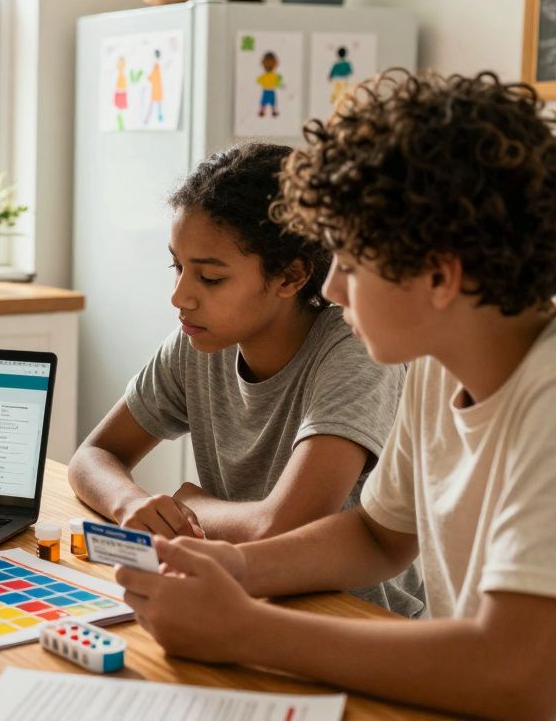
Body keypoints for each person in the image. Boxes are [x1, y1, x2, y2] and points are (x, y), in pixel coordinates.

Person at [115, 71, 556, 719]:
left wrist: (246, 629)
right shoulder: (438, 366)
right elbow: (378, 538)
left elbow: (517, 674)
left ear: (439, 274)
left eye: (349, 263)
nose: (332, 290)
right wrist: (233, 570)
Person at [68, 142, 419, 615]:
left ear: (291, 277)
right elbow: (92, 455)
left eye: (210, 279)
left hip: (355, 616)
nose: (180, 297)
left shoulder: (353, 351)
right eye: (177, 266)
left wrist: (194, 503)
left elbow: (283, 528)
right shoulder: (198, 342)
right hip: (241, 595)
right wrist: (129, 502)